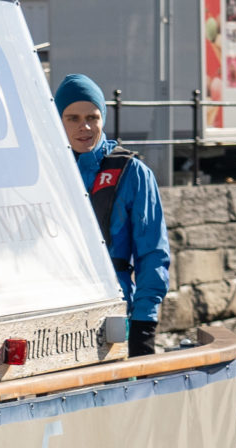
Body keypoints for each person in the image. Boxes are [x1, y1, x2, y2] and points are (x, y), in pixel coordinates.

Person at [54, 74, 170, 357]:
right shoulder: (45, 172)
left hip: (113, 310)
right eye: (72, 118)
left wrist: (144, 324)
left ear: (102, 119)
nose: (84, 127)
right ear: (57, 120)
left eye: (92, 117)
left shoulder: (133, 173)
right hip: (55, 310)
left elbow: (152, 253)